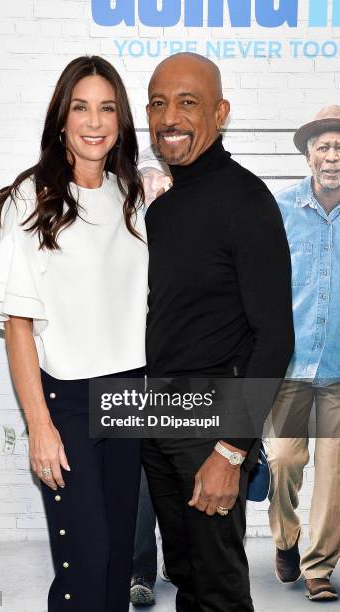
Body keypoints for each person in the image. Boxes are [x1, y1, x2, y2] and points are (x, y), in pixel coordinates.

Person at [0, 55, 148, 612]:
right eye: (81, 108)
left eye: (107, 108)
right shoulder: (31, 200)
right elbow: (19, 325)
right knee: (86, 561)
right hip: (67, 401)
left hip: (129, 394)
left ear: (121, 121)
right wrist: (39, 426)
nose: (94, 122)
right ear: (61, 118)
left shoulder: (135, 199)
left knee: (119, 558)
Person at [142, 52, 295, 612]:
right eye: (158, 103)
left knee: (220, 589)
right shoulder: (163, 208)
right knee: (185, 575)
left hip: (212, 424)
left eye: (188, 102)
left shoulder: (246, 202)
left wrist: (232, 450)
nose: (170, 117)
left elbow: (276, 338)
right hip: (158, 413)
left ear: (220, 112)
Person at [266, 106, 340, 602]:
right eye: (324, 146)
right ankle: (286, 541)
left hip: (338, 373)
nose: (332, 156)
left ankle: (319, 567)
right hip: (290, 369)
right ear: (309, 153)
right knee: (283, 461)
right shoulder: (280, 209)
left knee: (335, 475)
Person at [130, 147, 172, 608]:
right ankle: (140, 568)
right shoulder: (126, 227)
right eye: (147, 179)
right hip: (133, 370)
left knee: (179, 471)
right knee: (140, 477)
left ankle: (176, 558)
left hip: (183, 370)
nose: (157, 188)